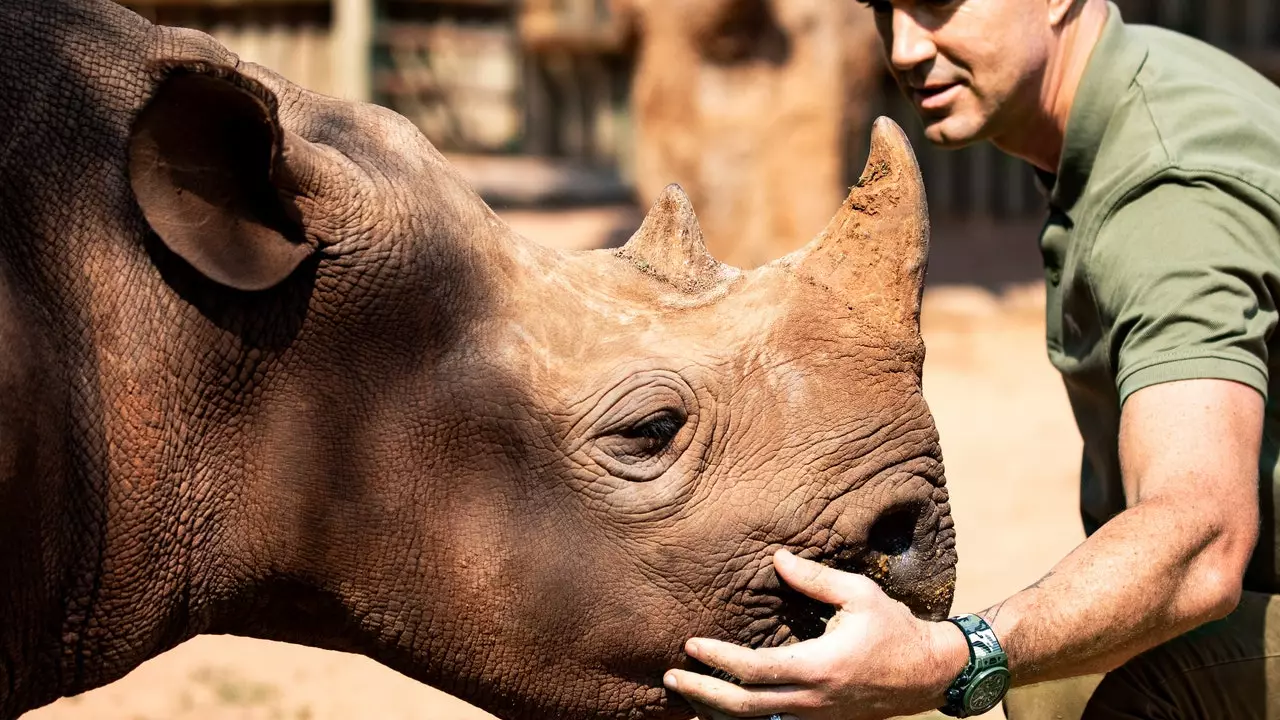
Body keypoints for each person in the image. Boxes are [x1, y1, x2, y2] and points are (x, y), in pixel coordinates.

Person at [661, 0, 1280, 717]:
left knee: (1065, 689)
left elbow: (1201, 539)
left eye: (936, 5)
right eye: (884, 9)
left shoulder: (1166, 190)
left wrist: (955, 655)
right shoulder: (1155, 82)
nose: (904, 46)